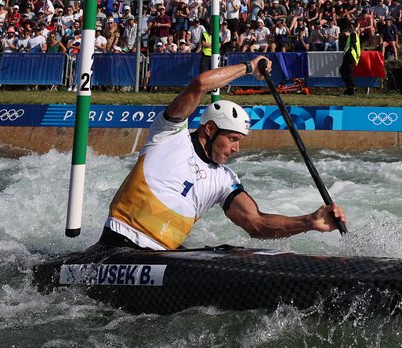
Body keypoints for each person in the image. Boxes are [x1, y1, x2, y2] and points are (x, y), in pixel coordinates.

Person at [97, 56, 347, 251]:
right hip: (117, 247)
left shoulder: (224, 179)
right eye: (233, 139)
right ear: (210, 129)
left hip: (164, 258)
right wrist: (249, 68)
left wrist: (310, 222)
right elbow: (199, 85)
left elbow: (256, 223)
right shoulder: (169, 134)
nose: (236, 149)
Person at [339, 19, 360, 95]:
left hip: (350, 55)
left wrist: (356, 54)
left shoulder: (353, 34)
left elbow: (353, 43)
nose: (350, 27)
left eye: (352, 25)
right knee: (344, 71)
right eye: (350, 25)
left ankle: (351, 89)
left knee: (348, 72)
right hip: (349, 55)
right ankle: (349, 88)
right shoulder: (353, 34)